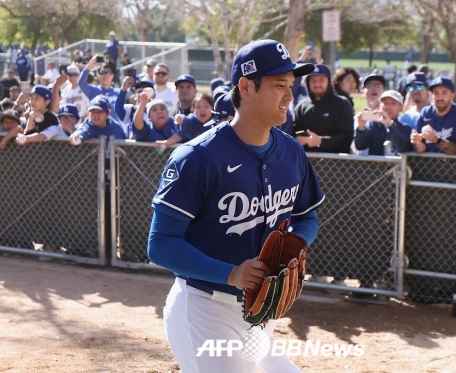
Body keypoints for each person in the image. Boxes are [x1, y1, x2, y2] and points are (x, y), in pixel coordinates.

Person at [147, 38, 324, 373]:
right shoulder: (197, 158)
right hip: (205, 309)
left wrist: (291, 248)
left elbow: (307, 217)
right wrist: (230, 273)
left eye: (291, 85)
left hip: (260, 310)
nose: (290, 95)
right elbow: (161, 244)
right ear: (246, 86)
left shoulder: (292, 152)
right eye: (279, 85)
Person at [292, 64, 354, 153]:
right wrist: (297, 139)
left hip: (336, 163)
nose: (317, 84)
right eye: (313, 80)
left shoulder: (342, 104)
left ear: (329, 82)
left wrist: (321, 141)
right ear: (307, 83)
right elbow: (293, 132)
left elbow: (347, 138)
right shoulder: (301, 107)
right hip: (307, 162)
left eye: (321, 80)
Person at [410, 76, 456, 155]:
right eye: (436, 93)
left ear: (452, 95)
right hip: (428, 164)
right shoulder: (426, 113)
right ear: (432, 95)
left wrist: (436, 140)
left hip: (452, 165)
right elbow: (421, 148)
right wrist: (417, 142)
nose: (440, 97)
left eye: (444, 93)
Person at [355, 90, 412, 155]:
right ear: (380, 105)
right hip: (375, 164)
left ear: (401, 107)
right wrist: (361, 127)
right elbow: (360, 146)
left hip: (397, 164)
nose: (388, 106)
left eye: (393, 103)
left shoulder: (406, 128)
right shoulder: (373, 125)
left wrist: (391, 125)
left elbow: (402, 148)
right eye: (385, 103)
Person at [79, 57, 121, 124]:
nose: (105, 75)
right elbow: (81, 83)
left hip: (114, 129)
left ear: (113, 76)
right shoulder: (93, 90)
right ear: (98, 75)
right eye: (102, 72)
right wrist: (89, 66)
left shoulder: (119, 93)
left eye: (108, 73)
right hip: (97, 129)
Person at [15, 104, 80, 145]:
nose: (66, 120)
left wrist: (72, 131)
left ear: (77, 120)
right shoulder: (56, 129)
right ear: (59, 120)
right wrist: (25, 138)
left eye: (70, 117)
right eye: (63, 117)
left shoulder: (81, 129)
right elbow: (42, 136)